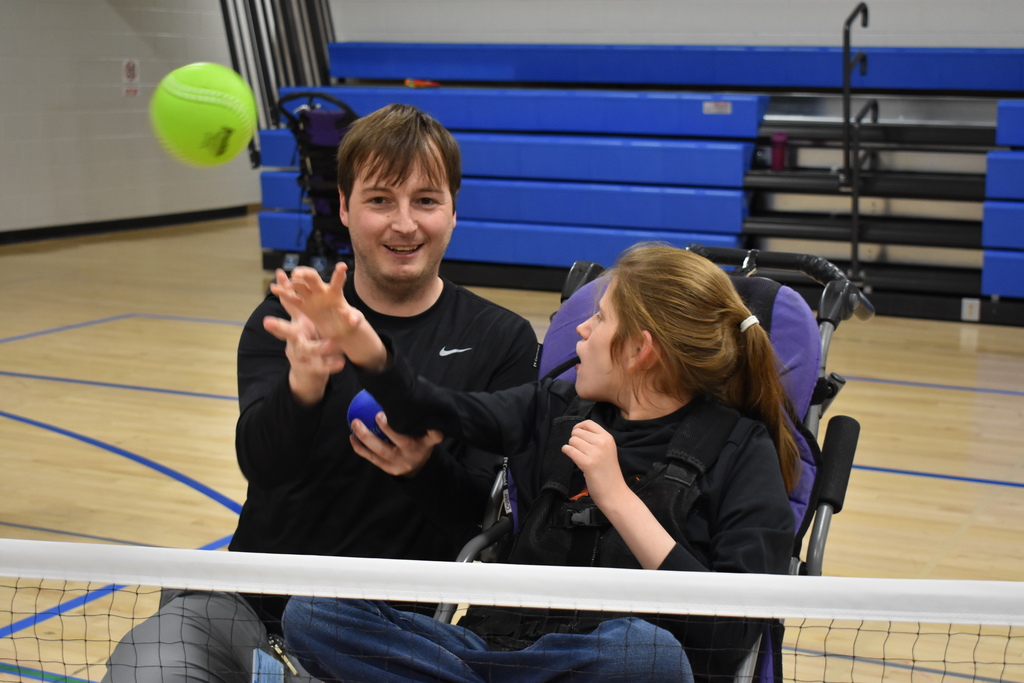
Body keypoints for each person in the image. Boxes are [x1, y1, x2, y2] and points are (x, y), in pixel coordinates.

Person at [102, 104, 540, 682]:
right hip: (250, 609)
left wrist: (420, 468)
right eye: (380, 199)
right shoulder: (288, 317)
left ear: (453, 211)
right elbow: (261, 463)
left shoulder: (500, 339)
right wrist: (301, 387)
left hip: (379, 635)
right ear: (345, 208)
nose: (403, 224)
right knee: (146, 669)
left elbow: (477, 523)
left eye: (426, 201)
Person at [274, 243, 801, 683]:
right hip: (496, 650)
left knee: (647, 655)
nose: (581, 332)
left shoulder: (741, 451)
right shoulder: (551, 405)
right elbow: (430, 407)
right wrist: (362, 342)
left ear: (641, 350)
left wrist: (616, 497)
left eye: (599, 319)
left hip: (609, 666)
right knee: (314, 613)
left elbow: (730, 639)